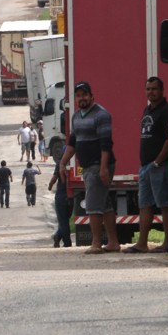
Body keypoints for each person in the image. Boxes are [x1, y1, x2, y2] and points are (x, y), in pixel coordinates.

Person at [58, 81, 120, 253]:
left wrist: (103, 167)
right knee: (104, 204)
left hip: (98, 165)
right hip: (87, 166)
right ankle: (113, 242)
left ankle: (96, 243)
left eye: (85, 94)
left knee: (92, 204)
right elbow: (72, 143)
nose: (82, 98)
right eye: (78, 95)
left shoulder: (102, 115)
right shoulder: (76, 116)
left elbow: (106, 144)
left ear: (92, 96)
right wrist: (63, 163)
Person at [124, 77, 168, 254]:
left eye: (154, 89)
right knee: (145, 205)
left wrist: (158, 161)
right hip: (146, 167)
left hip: (162, 166)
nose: (151, 92)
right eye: (148, 89)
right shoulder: (147, 110)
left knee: (165, 204)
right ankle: (142, 243)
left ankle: (167, 243)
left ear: (162, 90)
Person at [47, 159, 72, 247]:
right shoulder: (76, 161)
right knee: (65, 220)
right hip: (72, 195)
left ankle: (66, 242)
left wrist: (50, 186)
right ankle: (59, 237)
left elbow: (54, 178)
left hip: (61, 195)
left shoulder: (61, 162)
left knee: (63, 220)